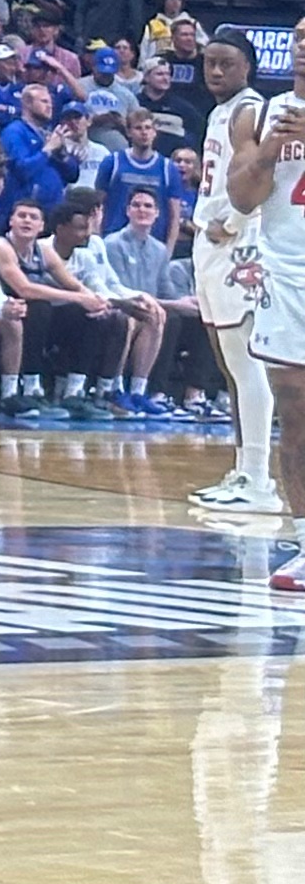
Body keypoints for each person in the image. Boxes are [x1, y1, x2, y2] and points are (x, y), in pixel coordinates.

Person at [218, 80, 305, 592]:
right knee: (294, 407)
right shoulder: (261, 114)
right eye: (298, 39)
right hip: (287, 277)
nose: (302, 48)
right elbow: (243, 197)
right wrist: (269, 152)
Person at [191, 31, 282, 518]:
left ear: (248, 66)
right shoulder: (219, 111)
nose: (216, 72)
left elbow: (261, 177)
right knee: (230, 366)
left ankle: (259, 477)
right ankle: (244, 468)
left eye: (226, 63)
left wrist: (231, 221)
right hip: (211, 245)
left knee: (247, 365)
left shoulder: (251, 109)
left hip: (238, 246)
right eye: (210, 63)